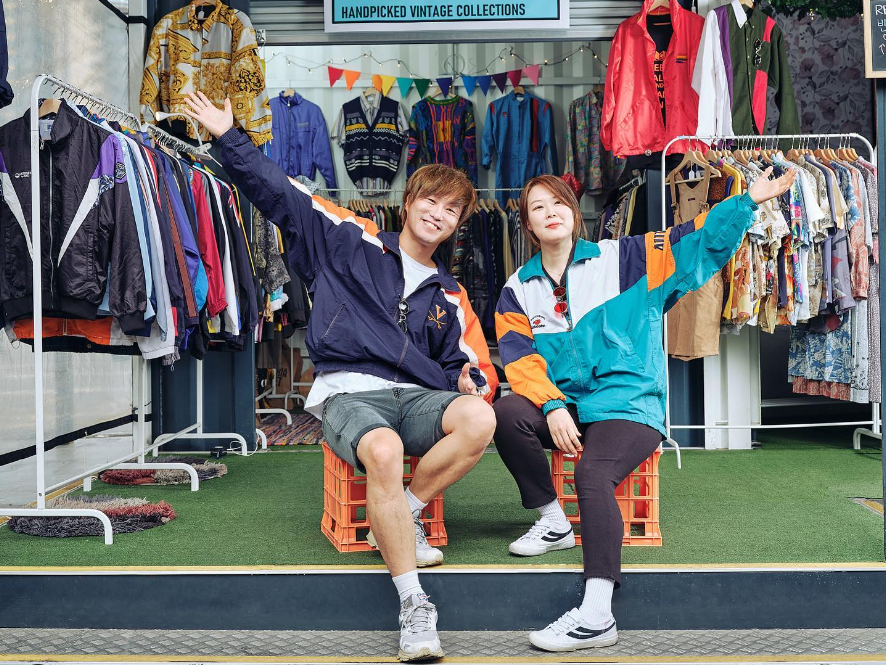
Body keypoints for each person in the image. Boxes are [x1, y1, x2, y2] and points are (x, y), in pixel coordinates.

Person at [183, 92, 498, 662]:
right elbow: (281, 194)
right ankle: (414, 605)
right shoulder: (350, 237)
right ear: (409, 202)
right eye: (430, 201)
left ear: (457, 224)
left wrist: (470, 381)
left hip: (417, 397)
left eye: (451, 210)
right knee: (383, 449)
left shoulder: (449, 293)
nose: (438, 214)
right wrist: (229, 137)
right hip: (349, 391)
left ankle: (403, 514)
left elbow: (466, 362)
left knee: (480, 417)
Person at [493, 170, 795, 652]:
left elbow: (693, 240)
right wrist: (551, 406)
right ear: (528, 224)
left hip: (628, 401)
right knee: (507, 413)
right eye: (538, 207)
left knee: (592, 473)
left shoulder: (625, 258)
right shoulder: (517, 289)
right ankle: (553, 521)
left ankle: (597, 615)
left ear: (574, 213)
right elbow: (519, 359)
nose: (550, 213)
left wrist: (747, 201)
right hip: (566, 403)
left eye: (559, 203)